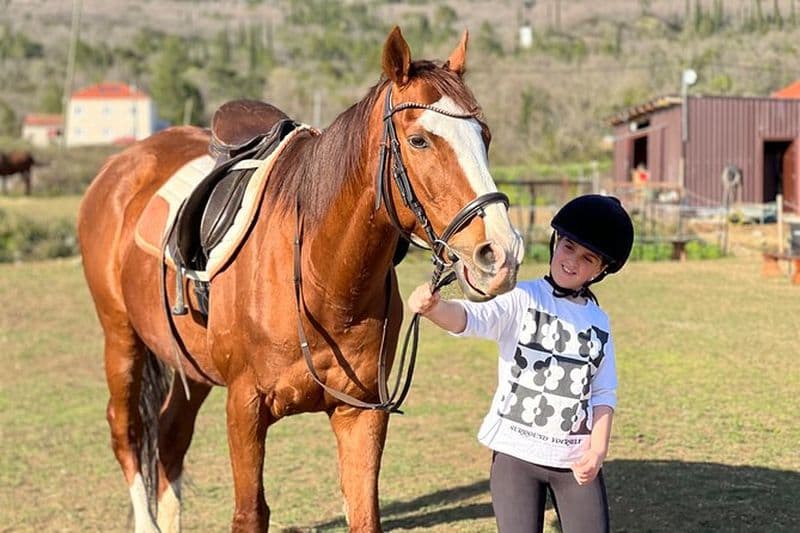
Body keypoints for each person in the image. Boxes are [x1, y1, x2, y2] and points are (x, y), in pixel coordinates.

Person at [407, 194, 634, 533]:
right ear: (556, 242)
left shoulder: (598, 322)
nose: (572, 261)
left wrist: (598, 450)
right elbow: (472, 318)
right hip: (515, 456)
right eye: (568, 247)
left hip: (574, 459)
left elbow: (603, 392)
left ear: (602, 270)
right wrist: (435, 309)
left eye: (587, 258)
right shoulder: (521, 299)